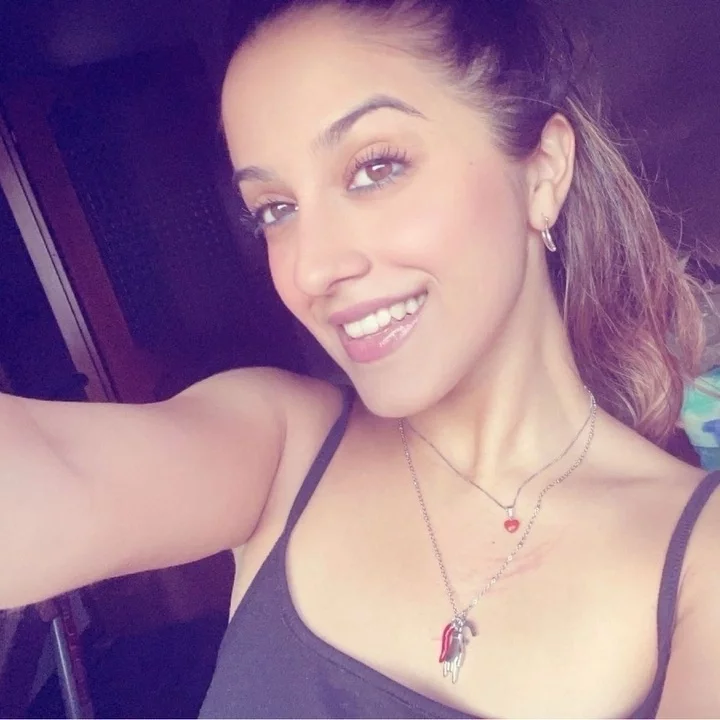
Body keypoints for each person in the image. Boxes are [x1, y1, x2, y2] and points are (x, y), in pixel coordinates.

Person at [2, 0, 719, 717]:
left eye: (375, 169)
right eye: (275, 209)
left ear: (543, 172)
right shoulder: (281, 446)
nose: (312, 268)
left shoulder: (698, 560)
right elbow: (51, 475)